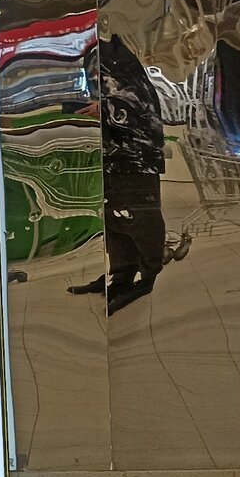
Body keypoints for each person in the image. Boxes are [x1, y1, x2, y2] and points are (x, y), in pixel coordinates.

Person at [68, 32, 166, 315]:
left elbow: (140, 101)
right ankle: (122, 274)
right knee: (113, 218)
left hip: (135, 158)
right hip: (112, 157)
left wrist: (104, 107)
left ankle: (148, 275)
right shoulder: (99, 57)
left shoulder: (118, 60)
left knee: (139, 217)